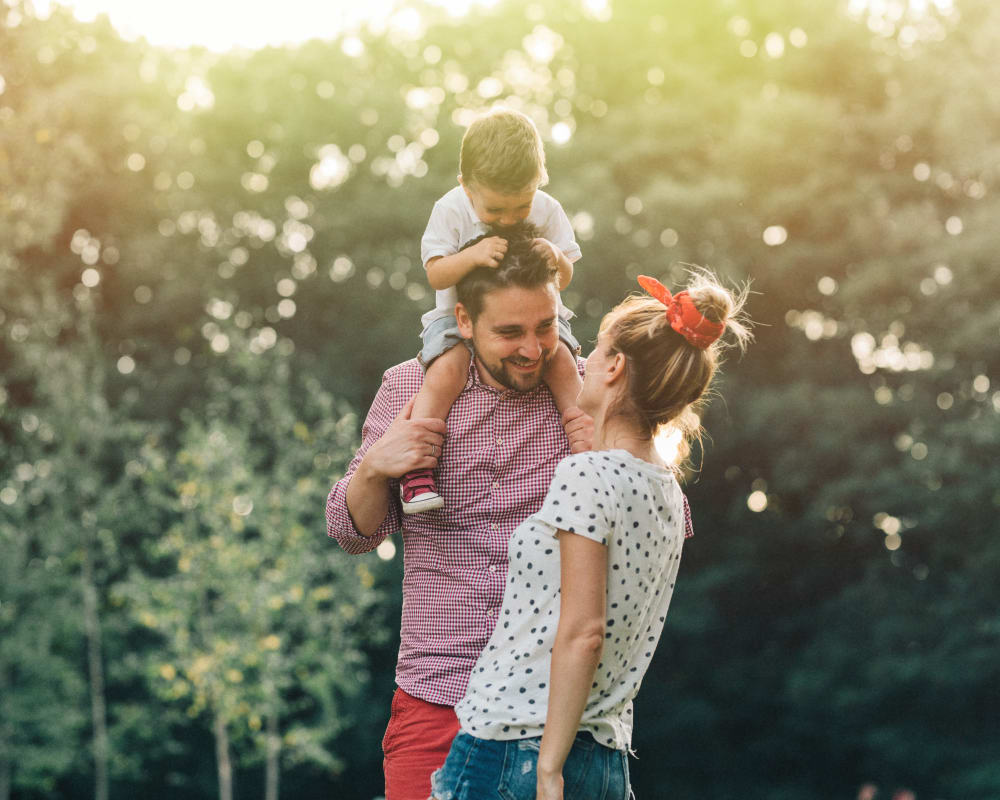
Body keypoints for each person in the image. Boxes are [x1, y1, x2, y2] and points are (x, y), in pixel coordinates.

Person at [429, 271, 750, 800]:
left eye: (596, 351)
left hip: (518, 752)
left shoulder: (589, 475)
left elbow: (585, 632)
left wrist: (549, 769)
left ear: (616, 367)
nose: (583, 363)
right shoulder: (668, 493)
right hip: (605, 762)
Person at [326, 230, 601, 800]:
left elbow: (649, 525)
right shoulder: (409, 385)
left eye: (545, 327)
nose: (532, 348)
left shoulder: (586, 390)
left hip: (552, 706)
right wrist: (376, 468)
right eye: (509, 332)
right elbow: (351, 533)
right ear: (464, 321)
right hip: (438, 694)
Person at [399, 106, 584, 514]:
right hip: (454, 320)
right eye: (495, 211)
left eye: (520, 209)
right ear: (467, 187)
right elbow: (436, 274)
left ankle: (588, 448)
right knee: (445, 373)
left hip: (537, 315)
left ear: (539, 181)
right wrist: (474, 255)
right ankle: (416, 472)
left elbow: (565, 278)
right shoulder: (450, 210)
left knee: (565, 366)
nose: (507, 220)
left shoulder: (548, 209)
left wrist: (555, 255)